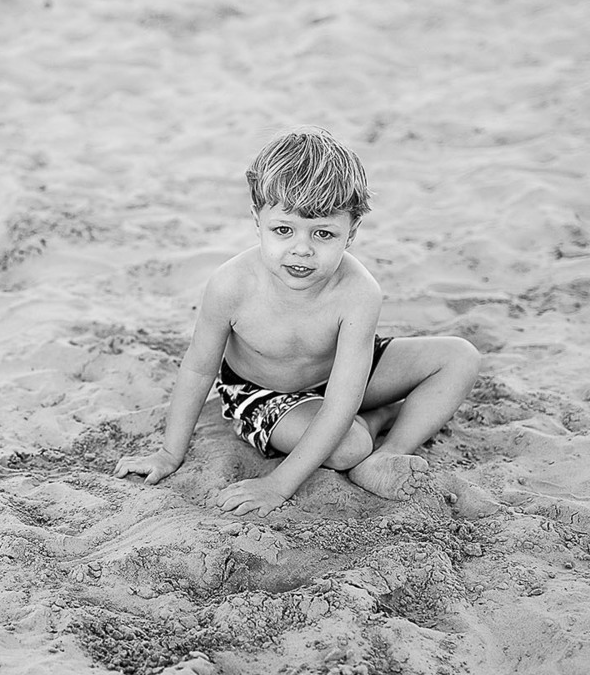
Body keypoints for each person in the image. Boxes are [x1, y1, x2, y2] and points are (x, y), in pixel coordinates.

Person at [113, 127, 481, 517]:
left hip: (341, 374)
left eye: (323, 234)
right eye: (283, 230)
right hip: (266, 393)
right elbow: (198, 369)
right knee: (348, 446)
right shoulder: (231, 285)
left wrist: (278, 484)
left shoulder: (358, 292)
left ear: (351, 232)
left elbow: (342, 400)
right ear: (258, 219)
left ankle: (389, 452)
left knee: (459, 356)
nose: (301, 250)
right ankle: (381, 418)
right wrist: (170, 454)